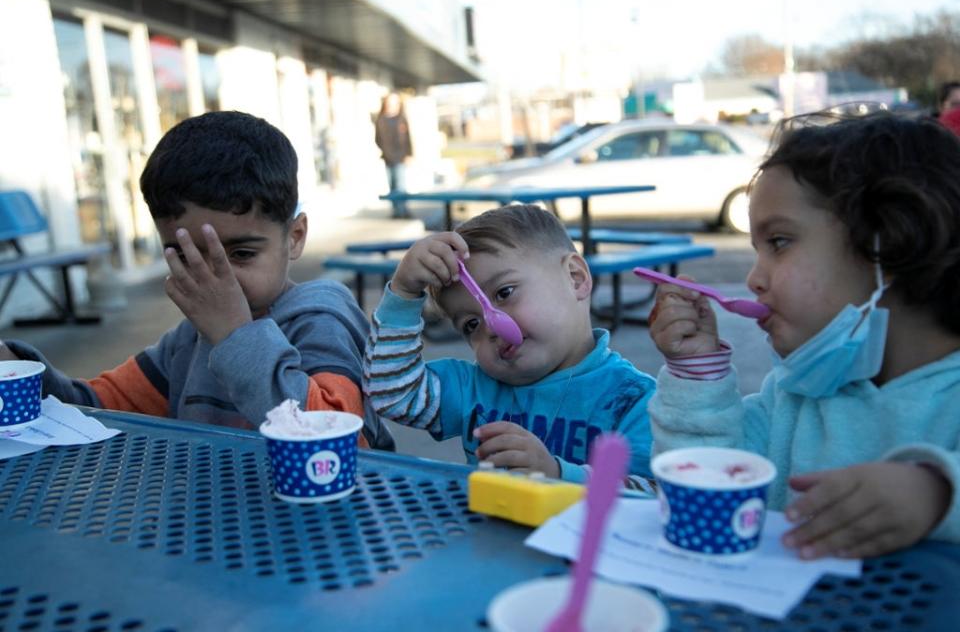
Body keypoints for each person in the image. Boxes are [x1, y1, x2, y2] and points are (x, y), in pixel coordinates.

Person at [648, 112, 960, 558]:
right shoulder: (794, 395)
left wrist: (936, 491)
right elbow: (706, 488)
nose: (754, 278)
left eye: (778, 242)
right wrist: (697, 370)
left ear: (888, 242)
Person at [0, 111, 392, 449]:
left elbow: (341, 441)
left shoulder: (321, 316)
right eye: (188, 256)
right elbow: (93, 407)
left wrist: (235, 336)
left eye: (240, 254)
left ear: (294, 237)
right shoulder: (189, 341)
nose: (217, 279)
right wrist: (14, 364)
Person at [363, 205, 657, 484]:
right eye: (471, 325)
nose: (491, 325)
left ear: (575, 278)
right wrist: (403, 294)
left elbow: (654, 496)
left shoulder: (635, 400)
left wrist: (559, 475)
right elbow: (393, 393)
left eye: (505, 293)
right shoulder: (474, 390)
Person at [374, 92, 413, 219]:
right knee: (392, 185)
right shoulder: (381, 120)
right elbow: (378, 139)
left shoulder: (402, 118)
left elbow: (408, 139)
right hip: (388, 158)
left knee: (401, 185)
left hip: (400, 157)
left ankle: (404, 210)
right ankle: (396, 211)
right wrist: (385, 151)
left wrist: (409, 154)